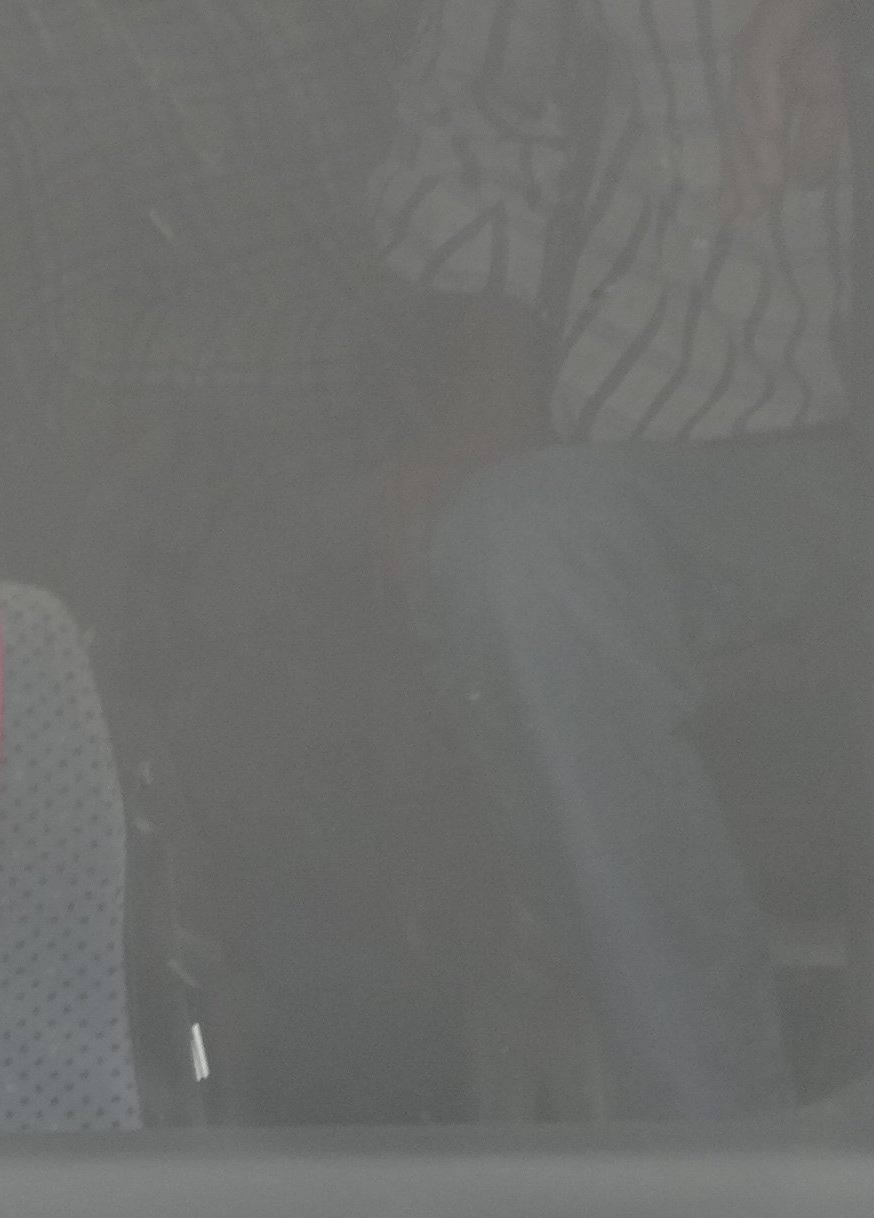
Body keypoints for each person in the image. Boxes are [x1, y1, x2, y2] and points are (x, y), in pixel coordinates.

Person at [372, 0, 856, 1117]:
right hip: (678, 420)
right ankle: (714, 1134)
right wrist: (488, 369)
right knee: (514, 545)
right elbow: (477, 103)